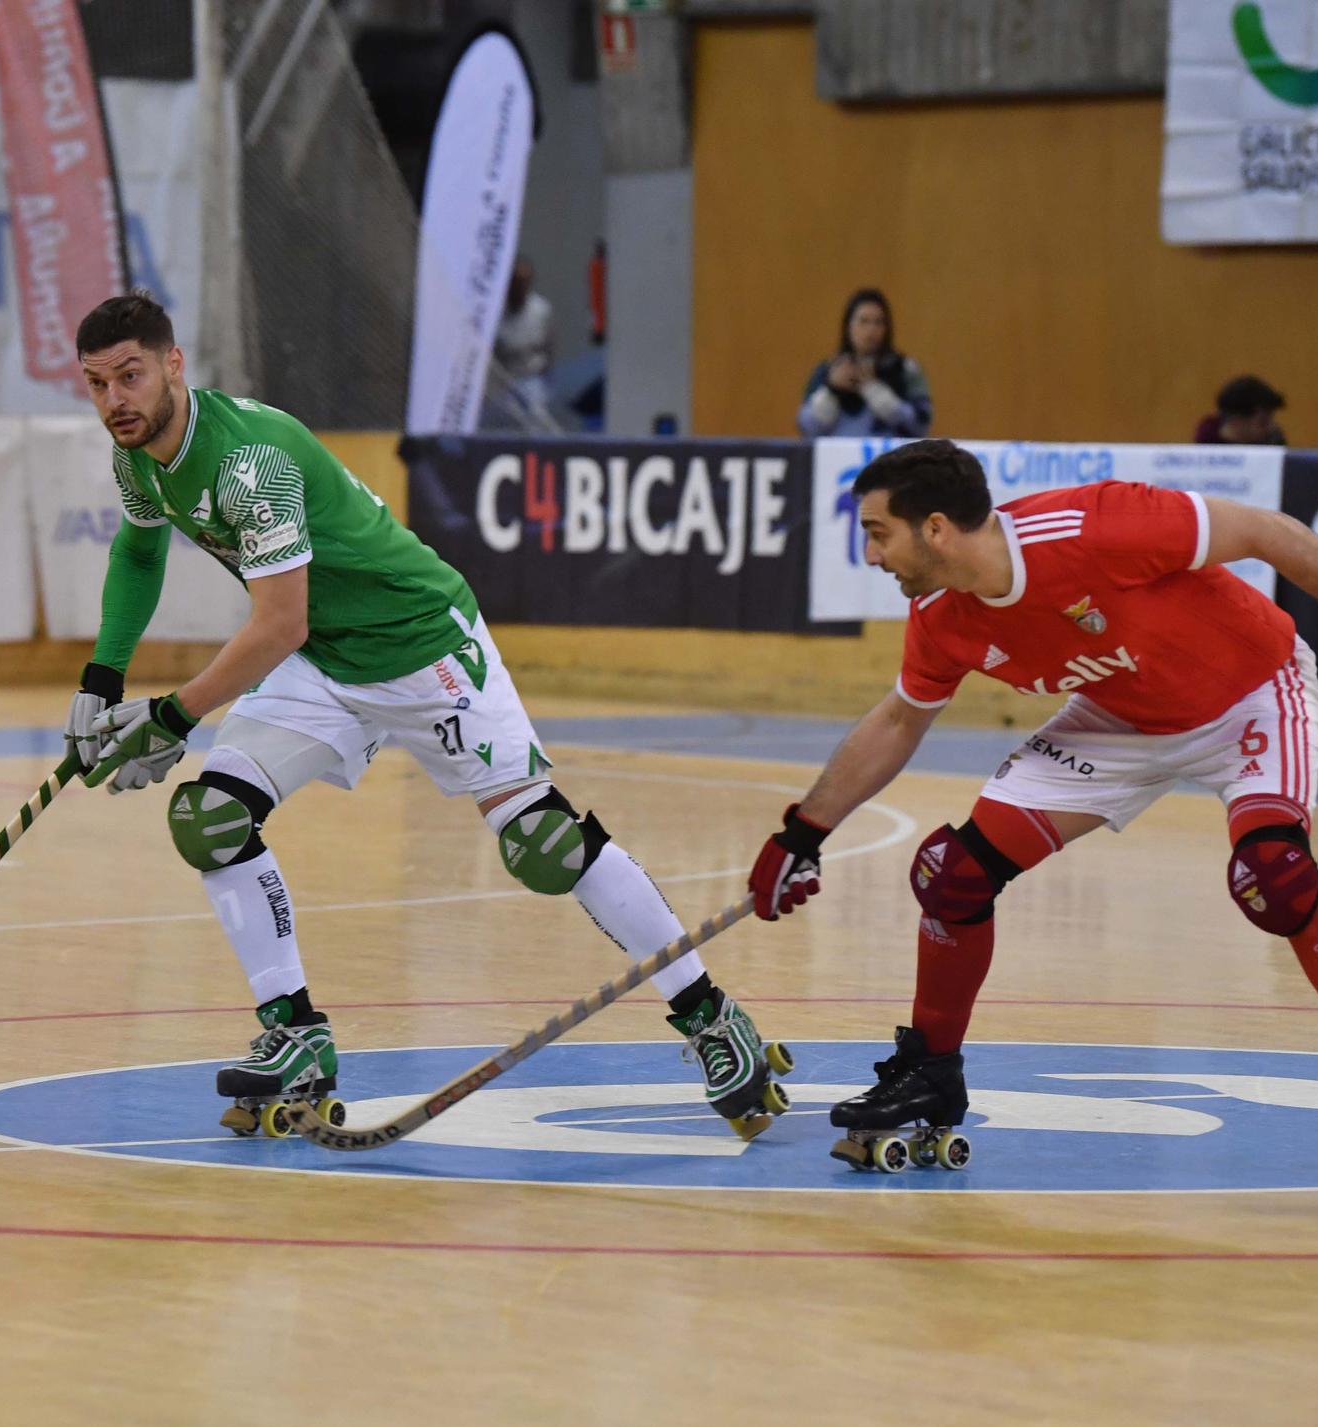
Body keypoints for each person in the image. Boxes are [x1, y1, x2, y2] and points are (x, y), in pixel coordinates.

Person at [65, 293, 789, 1139]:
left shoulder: (246, 462)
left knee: (541, 844)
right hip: (327, 660)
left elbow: (277, 624)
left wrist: (175, 718)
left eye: (131, 374)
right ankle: (294, 1033)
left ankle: (710, 1016)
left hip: (418, 645)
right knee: (210, 818)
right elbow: (140, 549)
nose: (116, 398)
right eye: (96, 383)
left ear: (174, 364)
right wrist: (100, 679)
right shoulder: (140, 458)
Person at [746, 439, 1318, 1203]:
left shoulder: (1096, 526)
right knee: (954, 873)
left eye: (876, 532)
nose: (870, 555)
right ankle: (932, 1073)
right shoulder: (940, 616)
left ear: (934, 529)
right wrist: (804, 831)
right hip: (1118, 718)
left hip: (1248, 692)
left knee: (1276, 879)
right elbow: (900, 722)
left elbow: (1264, 530)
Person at [798, 288, 934, 439]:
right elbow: (807, 428)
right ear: (848, 326)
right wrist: (832, 390)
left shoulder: (905, 369)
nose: (871, 330)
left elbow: (921, 425)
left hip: (891, 458)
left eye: (878, 322)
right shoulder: (828, 370)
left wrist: (873, 390)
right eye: (863, 321)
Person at [490, 256, 555, 424]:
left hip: (532, 378)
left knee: (536, 423)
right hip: (504, 379)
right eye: (516, 282)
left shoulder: (541, 310)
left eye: (524, 282)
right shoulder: (495, 311)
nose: (520, 287)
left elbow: (549, 346)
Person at [1195, 374, 1287, 445]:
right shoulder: (1205, 453)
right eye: (1263, 422)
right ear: (1236, 422)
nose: (1271, 428)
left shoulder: (1274, 442)